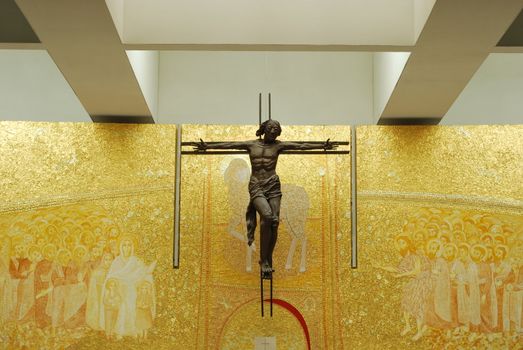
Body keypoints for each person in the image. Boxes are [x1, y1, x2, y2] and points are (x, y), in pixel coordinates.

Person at [195, 119, 337, 276]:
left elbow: (301, 145)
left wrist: (323, 145)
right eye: (270, 128)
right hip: (257, 185)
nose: (273, 131)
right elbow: (229, 144)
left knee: (274, 222)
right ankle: (264, 261)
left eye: (276, 129)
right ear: (264, 130)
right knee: (267, 216)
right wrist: (207, 146)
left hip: (273, 185)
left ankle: (268, 258)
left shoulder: (278, 145)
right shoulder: (252, 145)